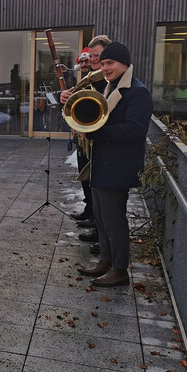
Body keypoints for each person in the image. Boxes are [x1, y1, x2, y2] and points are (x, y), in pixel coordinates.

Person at [76, 42, 152, 286]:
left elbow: (136, 130)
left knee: (115, 220)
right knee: (101, 217)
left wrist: (96, 132)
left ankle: (119, 270)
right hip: (102, 164)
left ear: (125, 65)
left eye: (110, 63)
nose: (105, 67)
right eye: (104, 63)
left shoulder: (137, 92)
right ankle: (105, 262)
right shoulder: (111, 87)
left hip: (118, 167)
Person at [61, 36, 110, 248]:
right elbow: (75, 104)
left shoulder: (109, 81)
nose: (90, 61)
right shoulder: (88, 79)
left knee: (102, 193)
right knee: (88, 181)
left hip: (103, 143)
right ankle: (93, 218)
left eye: (96, 57)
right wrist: (66, 97)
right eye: (90, 57)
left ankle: (102, 234)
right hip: (86, 139)